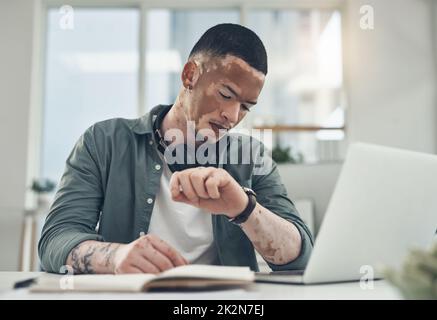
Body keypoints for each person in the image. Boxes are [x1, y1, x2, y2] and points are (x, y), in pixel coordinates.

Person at [38, 23, 313, 274]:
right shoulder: (103, 141)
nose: (232, 115)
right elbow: (55, 238)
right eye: (226, 94)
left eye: (245, 106)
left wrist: (243, 208)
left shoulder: (251, 157)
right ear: (190, 74)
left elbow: (301, 257)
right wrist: (115, 257)